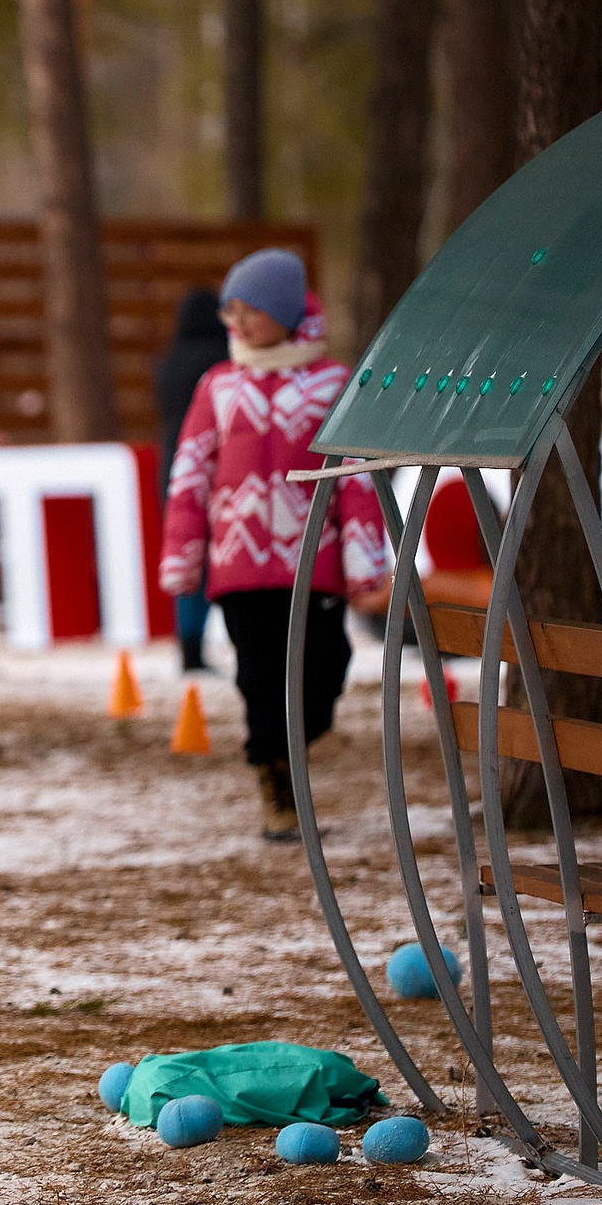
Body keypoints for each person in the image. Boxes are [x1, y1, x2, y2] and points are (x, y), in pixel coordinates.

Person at [158, 248, 387, 842]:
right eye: (230, 312)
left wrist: (366, 562)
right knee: (259, 676)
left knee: (326, 670)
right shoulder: (219, 386)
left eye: (249, 311)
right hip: (239, 566)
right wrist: (183, 555)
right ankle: (274, 779)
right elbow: (190, 472)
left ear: (286, 313)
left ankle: (290, 745)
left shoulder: (333, 384)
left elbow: (356, 478)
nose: (236, 324)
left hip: (313, 564)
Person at [152, 287, 229, 673]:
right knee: (225, 558)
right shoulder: (223, 363)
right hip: (220, 471)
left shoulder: (168, 364)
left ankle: (190, 647)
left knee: (188, 564)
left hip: (173, 468)